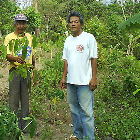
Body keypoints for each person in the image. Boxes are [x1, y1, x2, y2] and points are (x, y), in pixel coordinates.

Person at [60, 11, 98, 140]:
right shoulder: (68, 40)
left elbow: (93, 58)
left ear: (81, 23)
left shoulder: (89, 38)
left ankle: (89, 137)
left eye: (76, 21)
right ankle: (78, 135)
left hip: (85, 82)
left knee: (87, 113)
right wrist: (63, 77)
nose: (73, 24)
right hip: (71, 82)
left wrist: (94, 77)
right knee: (74, 110)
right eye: (71, 22)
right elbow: (66, 60)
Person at [4, 14, 35, 133]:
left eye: (23, 23)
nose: (21, 26)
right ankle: (14, 127)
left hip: (26, 71)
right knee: (14, 100)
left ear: (26, 25)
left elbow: (32, 54)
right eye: (19, 23)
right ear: (15, 24)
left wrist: (33, 70)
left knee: (26, 99)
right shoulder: (9, 37)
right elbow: (6, 55)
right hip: (15, 71)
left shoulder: (29, 37)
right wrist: (15, 59)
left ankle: (25, 127)